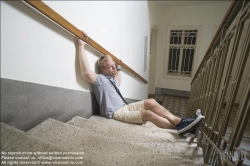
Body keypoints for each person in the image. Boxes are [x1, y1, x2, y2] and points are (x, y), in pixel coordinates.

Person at [78, 31, 204, 135]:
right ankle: (183, 126)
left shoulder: (113, 78)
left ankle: (181, 122)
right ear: (102, 69)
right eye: (110, 67)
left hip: (124, 106)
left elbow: (118, 75)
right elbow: (86, 72)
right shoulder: (100, 80)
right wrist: (81, 45)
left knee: (151, 102)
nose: (114, 68)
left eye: (114, 66)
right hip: (115, 113)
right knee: (147, 114)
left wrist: (119, 66)